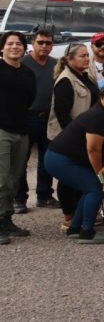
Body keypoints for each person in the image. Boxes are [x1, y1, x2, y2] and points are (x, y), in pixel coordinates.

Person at [43, 84, 104, 244]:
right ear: (101, 98)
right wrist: (101, 174)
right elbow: (93, 150)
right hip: (59, 159)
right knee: (96, 187)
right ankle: (87, 232)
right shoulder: (97, 117)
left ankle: (75, 228)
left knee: (93, 187)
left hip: (75, 159)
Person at [0, 32, 37, 242]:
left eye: (19, 43)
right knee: (2, 179)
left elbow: (29, 100)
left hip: (21, 131)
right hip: (1, 131)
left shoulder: (27, 73)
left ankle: (6, 219)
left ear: (24, 48)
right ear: (2, 48)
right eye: (10, 43)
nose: (15, 46)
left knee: (14, 179)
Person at [16, 30, 57, 214]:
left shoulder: (56, 64)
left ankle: (45, 195)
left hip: (49, 117)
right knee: (21, 160)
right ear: (32, 43)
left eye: (48, 43)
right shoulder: (22, 63)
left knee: (47, 159)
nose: (44, 46)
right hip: (27, 117)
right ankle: (19, 198)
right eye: (40, 42)